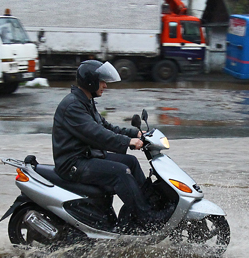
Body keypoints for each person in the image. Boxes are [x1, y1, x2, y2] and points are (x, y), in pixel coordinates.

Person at [52, 60, 169, 231]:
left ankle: (150, 203)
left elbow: (105, 127)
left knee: (131, 162)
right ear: (90, 81)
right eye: (102, 81)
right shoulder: (73, 106)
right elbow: (96, 134)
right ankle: (147, 217)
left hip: (88, 155)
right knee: (121, 172)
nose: (105, 85)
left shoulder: (85, 101)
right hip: (73, 163)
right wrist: (127, 142)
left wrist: (134, 134)